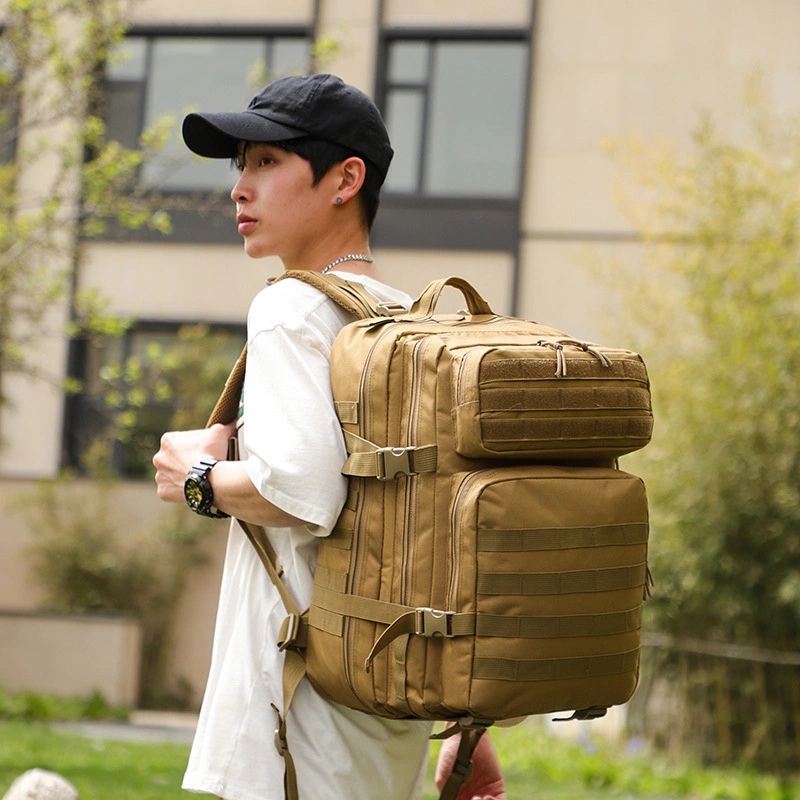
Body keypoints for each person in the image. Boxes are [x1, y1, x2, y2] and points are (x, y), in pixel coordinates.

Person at [153, 72, 505, 800]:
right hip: (386, 710)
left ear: (346, 179)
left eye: (266, 162)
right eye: (240, 166)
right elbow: (433, 526)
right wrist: (475, 727)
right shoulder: (410, 319)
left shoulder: (290, 309)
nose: (239, 189)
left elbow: (301, 492)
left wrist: (197, 477)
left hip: (300, 719)